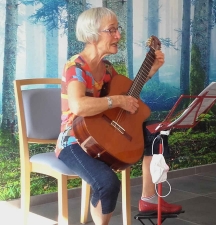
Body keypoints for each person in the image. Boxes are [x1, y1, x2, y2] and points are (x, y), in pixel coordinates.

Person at [55, 7, 181, 225]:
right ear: (93, 34)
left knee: (157, 133)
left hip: (103, 131)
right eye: (111, 30)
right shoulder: (75, 67)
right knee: (108, 183)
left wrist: (150, 71)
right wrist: (116, 101)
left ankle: (149, 199)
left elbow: (127, 94)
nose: (118, 36)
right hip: (73, 140)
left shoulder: (107, 68)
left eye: (118, 29)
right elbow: (78, 105)